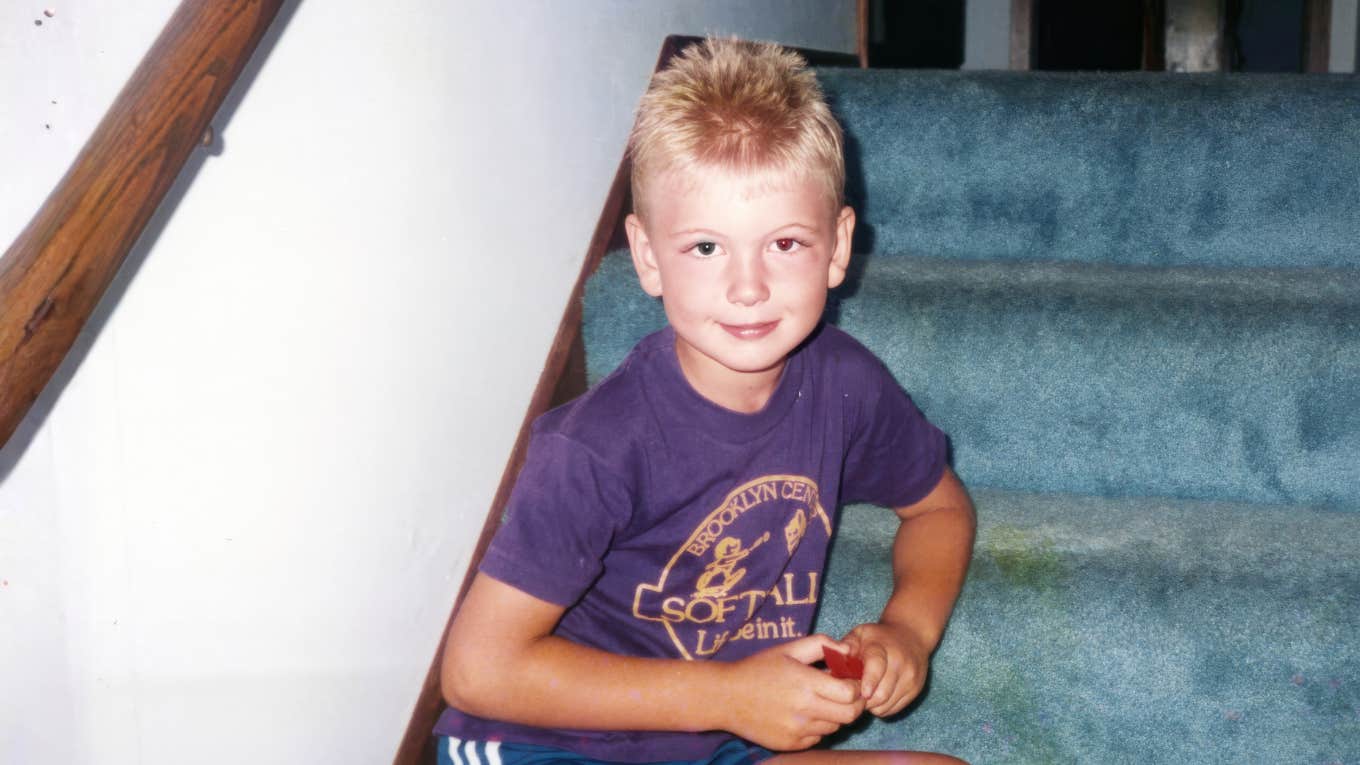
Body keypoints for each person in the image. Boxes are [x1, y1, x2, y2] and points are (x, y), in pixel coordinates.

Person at [434, 37, 976, 765]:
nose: (748, 286)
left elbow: (939, 507)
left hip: (717, 739)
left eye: (784, 243)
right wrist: (725, 696)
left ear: (838, 246)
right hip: (549, 744)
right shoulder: (597, 445)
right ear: (649, 257)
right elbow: (478, 670)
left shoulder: (846, 384)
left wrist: (908, 629)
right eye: (705, 249)